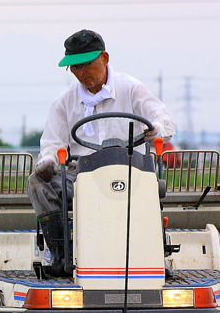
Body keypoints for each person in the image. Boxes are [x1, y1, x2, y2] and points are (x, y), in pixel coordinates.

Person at [28, 29, 176, 275]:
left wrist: (156, 128)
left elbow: (164, 119)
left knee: (150, 182)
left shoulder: (131, 89)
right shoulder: (64, 102)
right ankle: (61, 254)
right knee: (37, 182)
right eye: (75, 68)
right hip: (82, 175)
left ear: (104, 58)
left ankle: (154, 258)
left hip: (131, 171)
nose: (81, 72)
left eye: (86, 64)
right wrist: (47, 160)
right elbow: (52, 144)